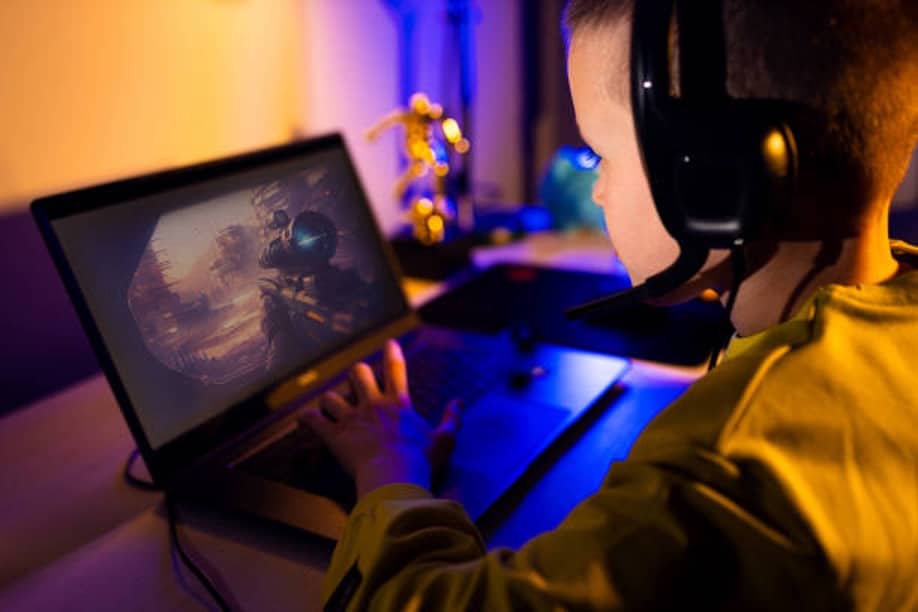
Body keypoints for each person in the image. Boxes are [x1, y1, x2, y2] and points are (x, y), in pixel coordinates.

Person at [302, 1, 918, 609]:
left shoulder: (717, 480)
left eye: (601, 154)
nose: (595, 188)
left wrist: (391, 467)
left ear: (719, 178)